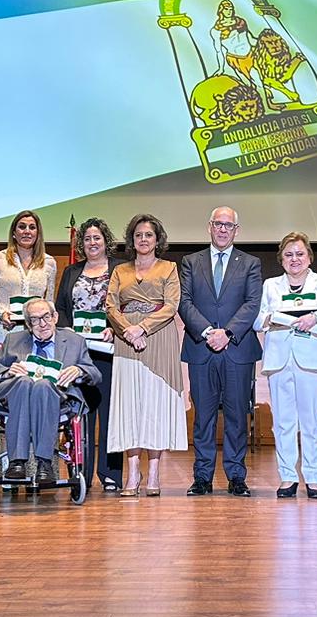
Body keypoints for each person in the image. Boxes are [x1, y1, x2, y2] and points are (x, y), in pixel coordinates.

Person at [177, 206, 262, 497]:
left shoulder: (250, 263)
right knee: (204, 417)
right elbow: (184, 302)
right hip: (201, 349)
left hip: (237, 349)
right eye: (218, 224)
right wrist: (207, 333)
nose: (223, 229)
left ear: (237, 230)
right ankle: (202, 478)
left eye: (229, 225)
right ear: (209, 227)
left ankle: (237, 476)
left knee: (238, 415)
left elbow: (252, 303)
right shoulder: (190, 262)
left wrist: (226, 333)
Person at [104, 213, 187, 496]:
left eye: (148, 235)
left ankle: (153, 473)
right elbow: (111, 306)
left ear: (157, 239)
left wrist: (142, 329)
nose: (143, 239)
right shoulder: (120, 271)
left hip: (159, 337)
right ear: (132, 239)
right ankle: (132, 473)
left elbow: (171, 305)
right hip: (126, 339)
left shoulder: (169, 268)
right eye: (138, 235)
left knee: (154, 405)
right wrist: (128, 330)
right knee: (129, 405)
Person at [258, 232, 317, 498]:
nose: (294, 259)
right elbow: (259, 319)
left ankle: (314, 478)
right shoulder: (271, 285)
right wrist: (276, 317)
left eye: (299, 254)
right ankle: (287, 477)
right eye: (288, 254)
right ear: (281, 259)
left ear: (309, 257)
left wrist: (314, 318)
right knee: (283, 422)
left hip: (312, 360)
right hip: (280, 360)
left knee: (311, 423)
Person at [0, 297, 101, 484]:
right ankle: (17, 462)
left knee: (43, 385)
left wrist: (79, 370)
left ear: (55, 317)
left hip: (57, 398)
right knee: (24, 382)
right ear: (29, 325)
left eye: (46, 317)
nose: (42, 324)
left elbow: (95, 374)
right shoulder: (13, 339)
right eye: (35, 320)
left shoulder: (74, 341)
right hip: (16, 396)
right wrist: (7, 371)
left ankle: (44, 462)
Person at [54, 217, 119, 491]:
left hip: (108, 351)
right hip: (78, 354)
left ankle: (111, 474)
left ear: (106, 241)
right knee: (79, 413)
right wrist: (69, 334)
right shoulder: (71, 271)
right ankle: (79, 473)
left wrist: (115, 329)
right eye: (88, 239)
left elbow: (126, 306)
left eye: (97, 238)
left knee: (109, 414)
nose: (92, 243)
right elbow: (61, 309)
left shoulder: (119, 270)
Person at [0, 210, 58, 360]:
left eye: (32, 227)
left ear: (38, 233)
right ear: (13, 232)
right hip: (3, 330)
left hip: (37, 333)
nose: (27, 231)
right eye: (22, 227)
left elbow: (49, 301)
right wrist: (1, 314)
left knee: (32, 381)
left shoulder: (49, 262)